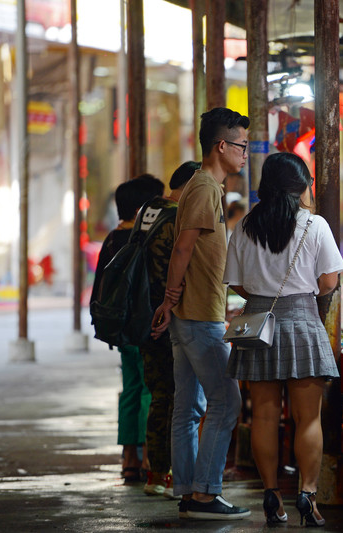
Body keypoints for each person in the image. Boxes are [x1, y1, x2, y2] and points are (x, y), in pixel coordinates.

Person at [223, 152, 343, 527]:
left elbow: (236, 282)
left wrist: (263, 296)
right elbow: (329, 281)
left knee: (263, 416)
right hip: (302, 323)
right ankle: (307, 495)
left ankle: (271, 493)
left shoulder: (245, 226)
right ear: (301, 186)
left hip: (257, 326)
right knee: (307, 418)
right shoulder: (315, 225)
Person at [150, 108, 251, 520]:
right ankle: (206, 494)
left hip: (191, 311)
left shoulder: (205, 186)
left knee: (188, 408)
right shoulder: (206, 187)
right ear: (221, 146)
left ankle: (190, 492)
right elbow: (183, 247)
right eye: (242, 145)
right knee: (227, 401)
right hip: (197, 314)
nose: (245, 153)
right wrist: (170, 298)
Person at [91, 175, 164, 484]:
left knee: (131, 389)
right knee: (150, 388)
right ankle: (149, 456)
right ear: (142, 209)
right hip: (145, 326)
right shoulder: (143, 238)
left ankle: (129, 458)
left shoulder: (112, 239)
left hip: (120, 328)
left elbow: (99, 287)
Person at [138, 161, 199, 497]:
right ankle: (172, 472)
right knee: (177, 398)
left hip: (144, 314)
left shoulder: (149, 210)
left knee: (160, 395)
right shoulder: (177, 218)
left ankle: (156, 473)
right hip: (168, 316)